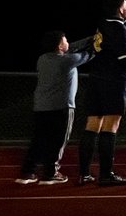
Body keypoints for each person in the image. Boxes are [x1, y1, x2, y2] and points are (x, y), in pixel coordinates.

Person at [16, 30, 96, 185]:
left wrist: (90, 38)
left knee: (38, 140)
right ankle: (50, 173)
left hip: (41, 107)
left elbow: (71, 48)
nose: (68, 43)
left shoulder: (42, 59)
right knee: (58, 141)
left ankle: (27, 172)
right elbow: (88, 55)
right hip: (62, 107)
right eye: (65, 41)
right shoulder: (67, 60)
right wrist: (98, 43)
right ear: (59, 46)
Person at [78, 0, 126, 185]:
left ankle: (84, 173)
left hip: (96, 78)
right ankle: (106, 174)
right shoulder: (119, 28)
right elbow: (125, 58)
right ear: (120, 9)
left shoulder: (102, 23)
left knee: (92, 124)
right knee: (111, 125)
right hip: (114, 81)